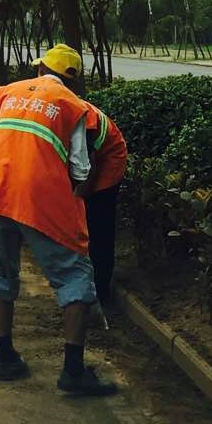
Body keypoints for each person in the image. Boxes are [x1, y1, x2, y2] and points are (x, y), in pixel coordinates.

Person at [0, 44, 118, 397]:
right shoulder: (71, 104)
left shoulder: (10, 93)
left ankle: (6, 358)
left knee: (1, 275)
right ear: (72, 80)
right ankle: (73, 372)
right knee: (75, 275)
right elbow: (80, 169)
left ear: (40, 70)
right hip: (40, 200)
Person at [85, 102, 127, 304]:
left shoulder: (83, 119)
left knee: (98, 227)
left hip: (107, 166)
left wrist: (77, 196)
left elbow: (87, 169)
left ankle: (101, 292)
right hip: (93, 161)